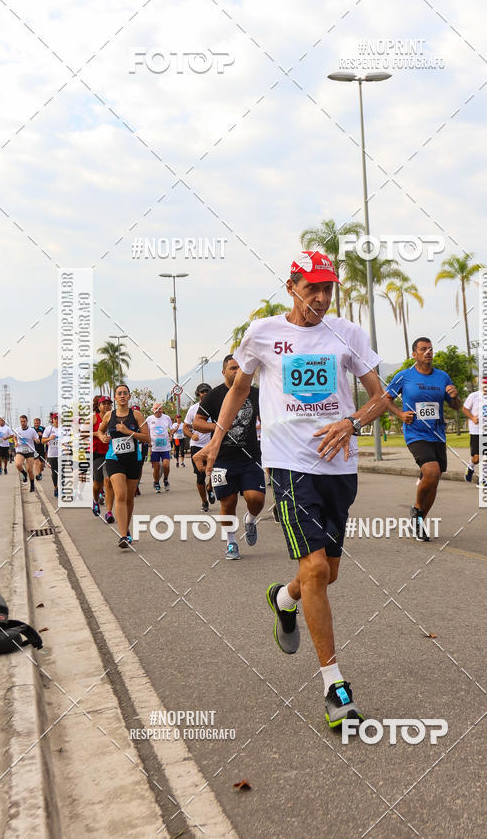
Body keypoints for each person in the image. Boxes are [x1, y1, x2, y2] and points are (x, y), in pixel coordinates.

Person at [194, 250, 386, 728]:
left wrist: (352, 421)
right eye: (312, 287)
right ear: (292, 286)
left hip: (339, 467)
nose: (320, 297)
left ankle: (284, 599)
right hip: (288, 465)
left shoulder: (348, 333)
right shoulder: (262, 332)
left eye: (328, 289)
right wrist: (216, 440)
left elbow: (380, 396)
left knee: (326, 575)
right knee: (317, 568)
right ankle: (334, 686)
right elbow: (239, 388)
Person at [383, 337, 463, 540]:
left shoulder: (442, 377)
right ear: (414, 354)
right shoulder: (404, 376)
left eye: (430, 349)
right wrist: (400, 414)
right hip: (415, 433)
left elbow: (455, 406)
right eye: (423, 349)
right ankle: (417, 508)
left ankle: (419, 521)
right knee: (432, 471)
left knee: (433, 480)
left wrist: (454, 396)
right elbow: (386, 400)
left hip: (437, 434)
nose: (428, 352)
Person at [193, 356, 265, 561]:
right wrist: (218, 427)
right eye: (233, 368)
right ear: (224, 372)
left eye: (241, 368)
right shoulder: (214, 396)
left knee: (256, 499)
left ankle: (250, 519)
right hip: (222, 459)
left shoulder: (256, 393)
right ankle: (231, 542)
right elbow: (198, 422)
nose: (238, 371)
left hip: (251, 457)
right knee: (228, 501)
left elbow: (266, 418)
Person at [96, 384, 149, 548]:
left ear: (129, 396)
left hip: (134, 459)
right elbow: (99, 431)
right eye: (119, 393)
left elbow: (147, 438)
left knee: (129, 498)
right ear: (115, 397)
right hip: (114, 459)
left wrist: (128, 432)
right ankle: (123, 535)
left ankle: (125, 528)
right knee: (120, 494)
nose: (122, 396)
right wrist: (102, 437)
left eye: (125, 393)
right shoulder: (109, 415)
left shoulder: (137, 415)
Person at [462, 377, 487, 483]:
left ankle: (482, 479)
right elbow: (465, 409)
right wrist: (472, 417)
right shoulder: (474, 396)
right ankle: (470, 466)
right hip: (476, 431)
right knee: (477, 458)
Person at [184, 384, 214, 512]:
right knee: (200, 476)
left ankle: (210, 488)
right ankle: (204, 501)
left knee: (215, 471)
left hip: (212, 444)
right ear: (198, 394)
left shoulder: (215, 407)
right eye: (202, 392)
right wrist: (192, 435)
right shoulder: (193, 409)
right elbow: (185, 427)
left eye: (207, 391)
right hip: (197, 446)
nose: (205, 393)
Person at [92, 396, 115, 520]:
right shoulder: (94, 417)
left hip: (111, 453)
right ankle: (95, 500)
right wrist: (98, 434)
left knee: (109, 481)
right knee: (98, 483)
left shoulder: (114, 416)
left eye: (109, 404)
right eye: (104, 404)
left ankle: (109, 511)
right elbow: (82, 433)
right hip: (97, 453)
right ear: (99, 406)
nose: (106, 406)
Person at [145, 403, 173, 492]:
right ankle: (156, 482)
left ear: (162, 409)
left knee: (166, 465)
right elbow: (147, 432)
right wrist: (149, 442)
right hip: (154, 448)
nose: (158, 410)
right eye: (156, 408)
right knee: (156, 467)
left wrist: (171, 434)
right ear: (153, 409)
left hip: (165, 447)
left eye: (160, 408)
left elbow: (171, 429)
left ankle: (165, 480)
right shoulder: (149, 419)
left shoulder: (166, 418)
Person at [13, 415, 41, 492]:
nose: (22, 423)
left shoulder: (32, 431)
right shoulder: (17, 429)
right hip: (20, 450)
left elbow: (36, 438)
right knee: (18, 464)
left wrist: (37, 440)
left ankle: (32, 485)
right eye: (21, 421)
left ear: (27, 421)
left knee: (30, 469)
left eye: (24, 421)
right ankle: (24, 474)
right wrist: (15, 442)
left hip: (30, 451)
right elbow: (14, 436)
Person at [42, 413, 60, 497]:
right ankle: (56, 487)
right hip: (52, 454)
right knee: (54, 472)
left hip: (62, 454)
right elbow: (43, 441)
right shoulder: (49, 429)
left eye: (58, 418)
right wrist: (49, 438)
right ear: (52, 420)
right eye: (55, 418)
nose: (57, 420)